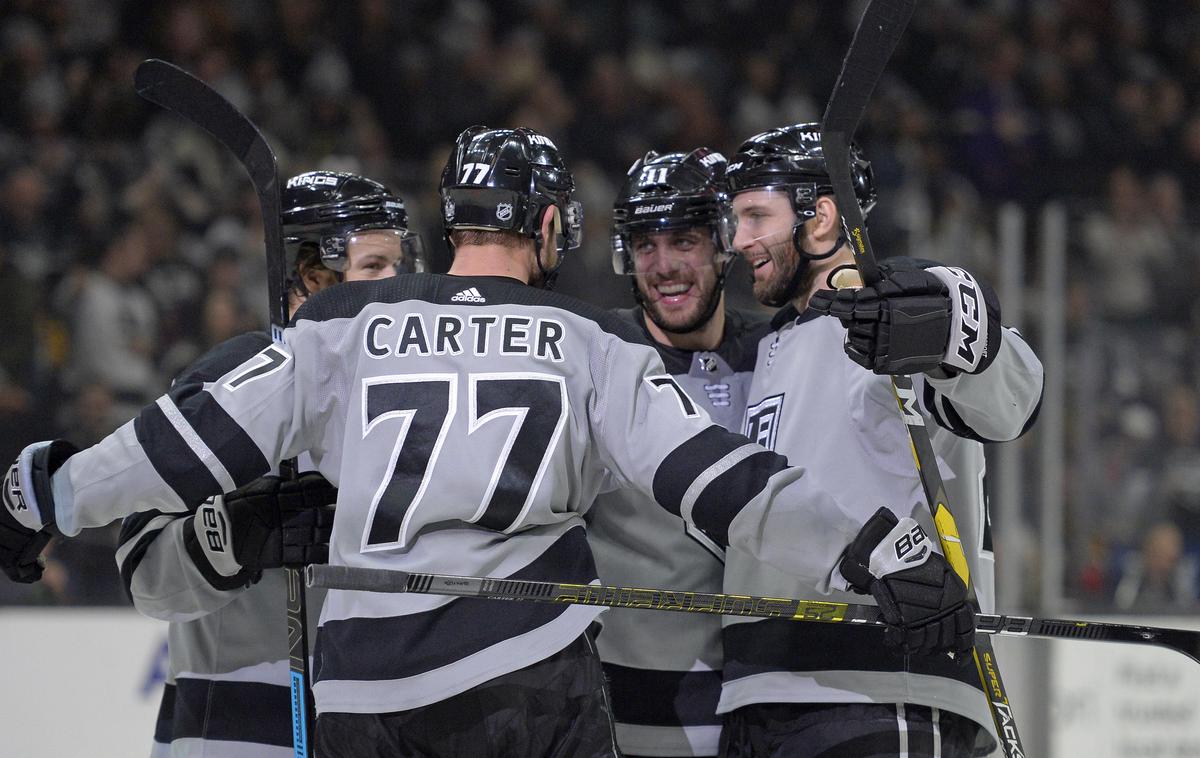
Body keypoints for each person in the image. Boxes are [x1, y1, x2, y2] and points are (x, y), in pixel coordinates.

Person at [1, 126, 972, 758]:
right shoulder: (590, 341)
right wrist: (888, 551)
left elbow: (174, 447)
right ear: (549, 225)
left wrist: (45, 496)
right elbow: (722, 483)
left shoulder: (342, 330)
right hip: (515, 678)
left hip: (357, 701)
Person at [720, 122, 1045, 757]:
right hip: (760, 694)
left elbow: (1015, 402)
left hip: (882, 686)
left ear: (820, 219)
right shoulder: (772, 345)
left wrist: (953, 325)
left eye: (756, 215)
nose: (739, 240)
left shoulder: (893, 318)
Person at [116, 169, 425, 757]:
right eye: (376, 267)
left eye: (399, 264)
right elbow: (144, 576)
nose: (400, 284)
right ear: (310, 279)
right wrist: (234, 536)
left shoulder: (423, 398)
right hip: (235, 734)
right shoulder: (225, 390)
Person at [587, 147, 767, 758]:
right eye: (645, 246)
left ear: (723, 243)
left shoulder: (782, 353)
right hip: (634, 704)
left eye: (684, 241)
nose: (663, 266)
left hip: (777, 694)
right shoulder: (595, 359)